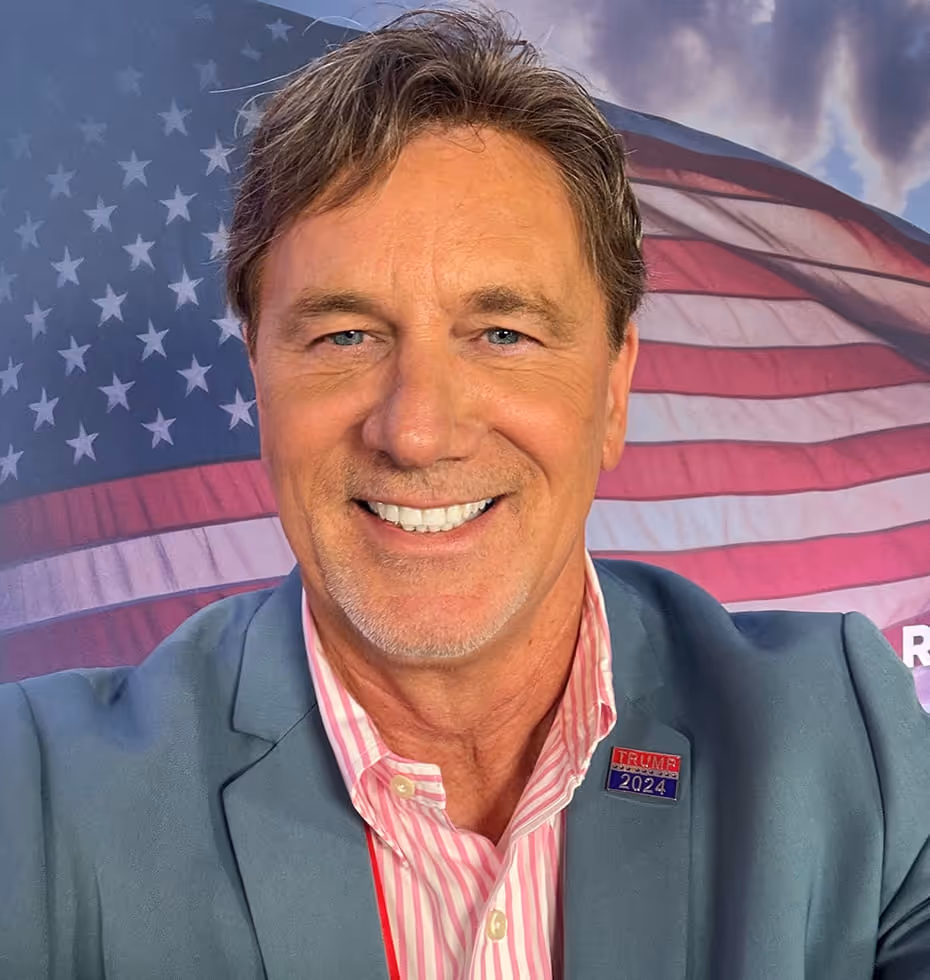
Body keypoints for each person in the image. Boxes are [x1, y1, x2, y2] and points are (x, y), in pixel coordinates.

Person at [2, 5, 929, 978]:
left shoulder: (843, 740)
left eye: (502, 334)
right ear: (256, 377)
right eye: (345, 335)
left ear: (614, 388)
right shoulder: (40, 796)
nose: (414, 430)